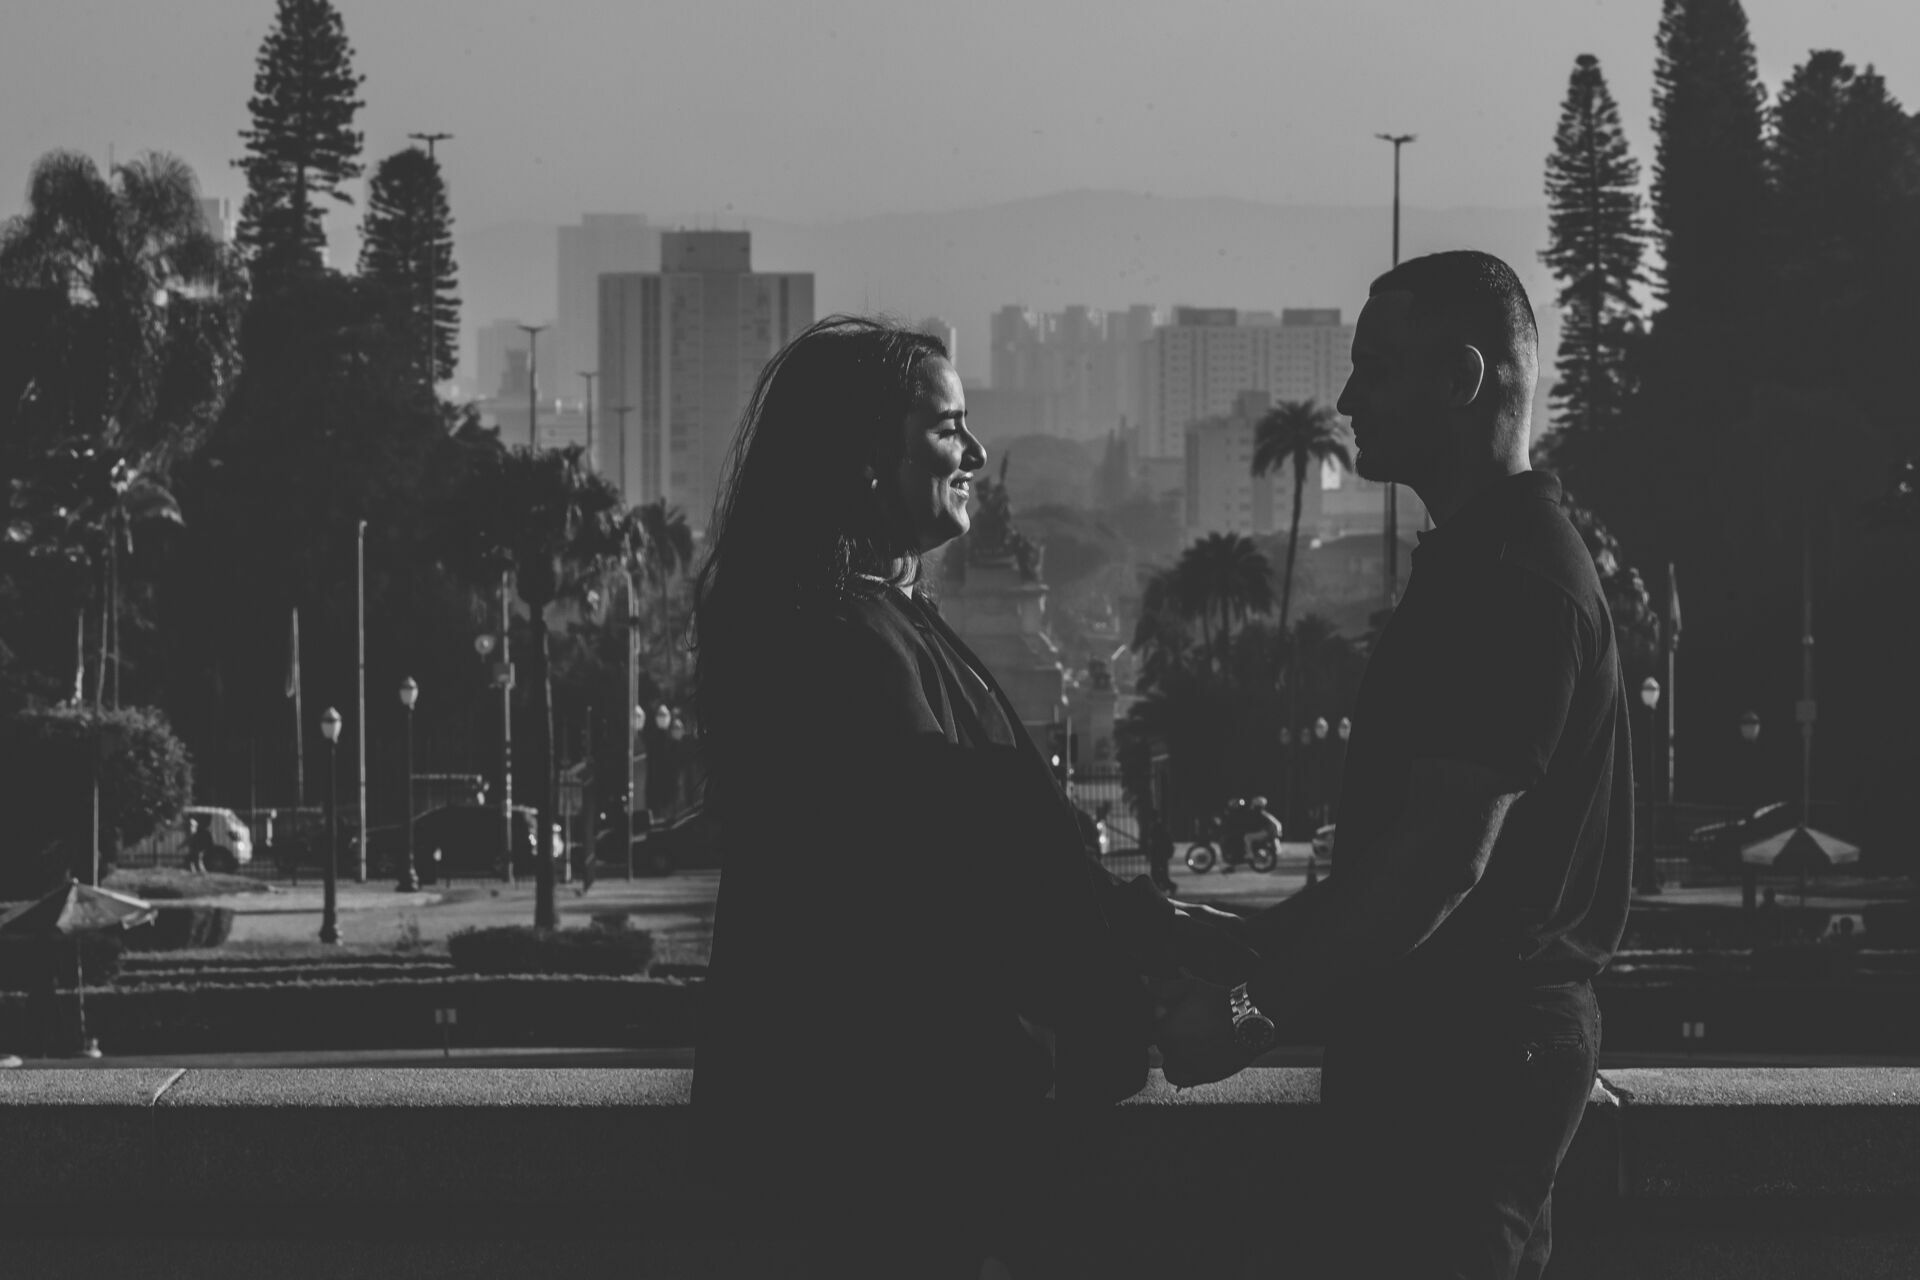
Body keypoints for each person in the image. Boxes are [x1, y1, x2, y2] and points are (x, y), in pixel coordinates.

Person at [690, 317, 1233, 1275]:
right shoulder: (844, 638)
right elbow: (958, 861)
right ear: (867, 457)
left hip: (886, 1132)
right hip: (885, 1146)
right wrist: (1140, 944)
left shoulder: (865, 616)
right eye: (949, 427)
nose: (976, 451)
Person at [1155, 251, 1635, 1279]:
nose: (1346, 397)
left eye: (1376, 368)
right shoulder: (1486, 563)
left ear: (1461, 379)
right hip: (1464, 1057)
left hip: (1464, 1068)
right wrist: (1260, 938)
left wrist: (1247, 1012)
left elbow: (1442, 859)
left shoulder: (1511, 583)